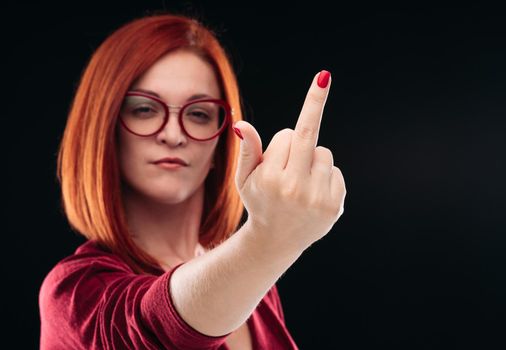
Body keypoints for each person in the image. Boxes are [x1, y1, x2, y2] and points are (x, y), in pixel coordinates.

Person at [39, 13, 346, 350]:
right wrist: (267, 240)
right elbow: (155, 328)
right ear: (105, 130)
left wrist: (265, 246)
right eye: (144, 110)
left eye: (198, 114)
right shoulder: (73, 295)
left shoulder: (258, 288)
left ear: (221, 141)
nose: (173, 135)